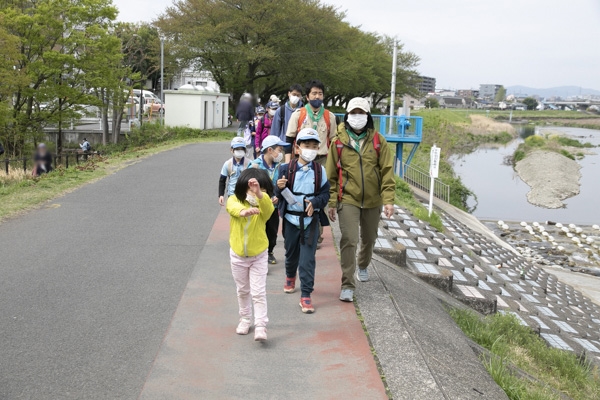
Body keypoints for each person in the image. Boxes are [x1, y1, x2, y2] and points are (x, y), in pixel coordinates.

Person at [325, 97, 395, 302]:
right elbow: (331, 175)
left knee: (369, 238)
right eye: (353, 113)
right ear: (347, 116)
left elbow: (387, 172)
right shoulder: (337, 143)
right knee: (349, 239)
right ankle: (347, 284)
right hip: (348, 198)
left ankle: (363, 264)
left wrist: (389, 199)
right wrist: (331, 202)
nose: (357, 117)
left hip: (374, 200)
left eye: (361, 113)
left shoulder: (378, 141)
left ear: (368, 116)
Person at [275, 128, 330, 314]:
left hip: (310, 221)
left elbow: (325, 195)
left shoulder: (320, 170)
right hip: (290, 219)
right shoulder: (285, 169)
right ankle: (290, 276)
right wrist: (278, 187)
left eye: (315, 146)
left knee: (307, 259)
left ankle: (306, 294)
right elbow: (278, 195)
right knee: (291, 254)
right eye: (307, 145)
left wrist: (315, 202)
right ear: (297, 147)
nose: (311, 149)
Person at [285, 80, 337, 246]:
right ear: (307, 97)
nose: (317, 96)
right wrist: (288, 164)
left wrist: (334, 164)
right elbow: (289, 139)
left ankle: (317, 233)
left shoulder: (330, 116)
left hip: (322, 159)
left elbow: (334, 141)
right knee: (299, 193)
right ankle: (296, 227)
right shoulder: (298, 114)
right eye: (314, 93)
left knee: (320, 195)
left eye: (320, 94)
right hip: (299, 159)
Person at [226, 168, 274, 341]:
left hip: (259, 256)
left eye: (260, 189)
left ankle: (261, 324)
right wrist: (243, 212)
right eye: (251, 188)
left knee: (258, 292)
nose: (253, 192)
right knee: (243, 290)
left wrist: (260, 195)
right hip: (238, 257)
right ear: (242, 188)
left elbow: (268, 209)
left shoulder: (263, 206)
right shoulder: (234, 200)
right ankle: (245, 319)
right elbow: (232, 207)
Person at [249, 135, 289, 265]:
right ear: (270, 150)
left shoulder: (281, 167)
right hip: (258, 206)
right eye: (279, 149)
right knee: (258, 230)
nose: (281, 153)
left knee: (272, 231)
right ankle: (257, 256)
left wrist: (278, 196)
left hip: (274, 207)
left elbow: (284, 185)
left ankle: (270, 251)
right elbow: (247, 186)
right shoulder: (255, 165)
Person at [218, 137, 251, 206]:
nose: (239, 151)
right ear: (231, 150)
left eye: (242, 149)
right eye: (237, 149)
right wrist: (221, 195)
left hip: (246, 195)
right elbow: (222, 180)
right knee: (234, 214)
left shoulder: (250, 163)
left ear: (245, 150)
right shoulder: (227, 164)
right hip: (232, 195)